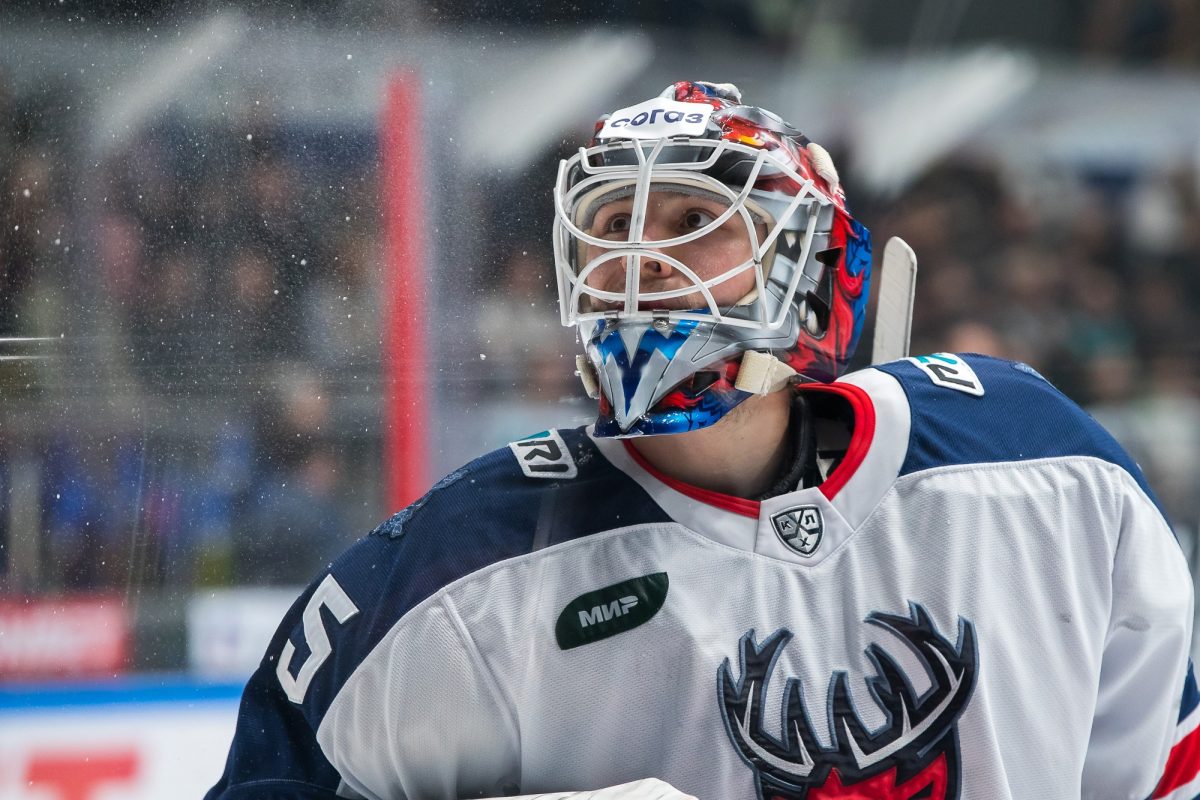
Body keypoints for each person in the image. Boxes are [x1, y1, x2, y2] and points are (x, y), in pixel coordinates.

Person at [207, 81, 1199, 800]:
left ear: (806, 266)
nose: (643, 263)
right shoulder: (450, 575)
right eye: (613, 228)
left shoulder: (1043, 466)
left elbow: (1156, 766)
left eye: (693, 220)